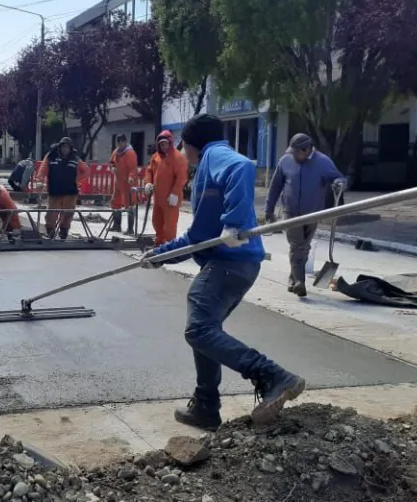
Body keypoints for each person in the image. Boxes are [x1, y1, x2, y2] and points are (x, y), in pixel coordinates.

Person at [141, 114, 306, 430]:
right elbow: (196, 238)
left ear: (192, 145)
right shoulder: (206, 170)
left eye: (185, 147)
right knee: (206, 331)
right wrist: (159, 256)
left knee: (198, 330)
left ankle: (272, 375)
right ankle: (205, 407)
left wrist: (233, 222)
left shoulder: (214, 156)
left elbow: (241, 167)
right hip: (237, 263)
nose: (184, 155)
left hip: (230, 263)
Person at [264, 133, 346, 297]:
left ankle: (293, 278)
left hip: (313, 213)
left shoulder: (323, 162)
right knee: (296, 245)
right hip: (290, 212)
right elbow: (275, 186)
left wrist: (340, 184)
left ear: (307, 149)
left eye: (296, 152)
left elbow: (339, 177)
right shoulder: (285, 161)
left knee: (305, 246)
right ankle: (300, 282)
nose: (293, 155)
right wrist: (269, 209)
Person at [35, 137, 89, 240]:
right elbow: (43, 169)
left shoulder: (75, 158)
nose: (65, 149)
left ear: (70, 148)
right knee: (51, 213)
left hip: (70, 192)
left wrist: (77, 180)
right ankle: (50, 231)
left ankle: (64, 232)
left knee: (68, 214)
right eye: (63, 147)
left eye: (67, 147)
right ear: (60, 147)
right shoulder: (51, 156)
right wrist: (39, 180)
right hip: (55, 191)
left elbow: (86, 170)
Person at [144, 130, 188, 245]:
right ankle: (159, 243)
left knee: (170, 224)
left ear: (170, 143)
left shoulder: (178, 158)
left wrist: (175, 193)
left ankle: (170, 245)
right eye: (161, 144)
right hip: (158, 197)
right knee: (157, 221)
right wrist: (148, 182)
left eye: (165, 144)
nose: (163, 146)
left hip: (170, 199)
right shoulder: (156, 157)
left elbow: (181, 177)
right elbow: (149, 170)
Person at [109, 134, 139, 234]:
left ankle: (130, 229)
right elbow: (111, 162)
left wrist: (131, 177)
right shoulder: (116, 152)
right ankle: (117, 225)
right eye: (118, 142)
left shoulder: (130, 153)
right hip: (118, 182)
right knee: (115, 203)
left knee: (129, 204)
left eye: (121, 141)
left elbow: (133, 168)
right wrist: (112, 167)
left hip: (128, 184)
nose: (120, 144)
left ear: (125, 142)